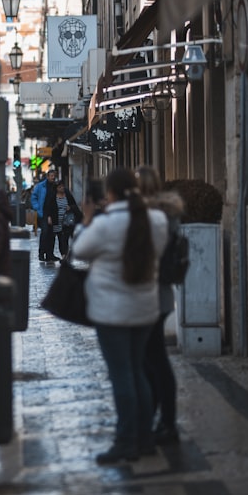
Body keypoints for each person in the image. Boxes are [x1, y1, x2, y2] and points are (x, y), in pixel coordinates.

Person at [72, 167, 169, 464]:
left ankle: (127, 441)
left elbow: (79, 251)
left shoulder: (104, 225)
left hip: (112, 313)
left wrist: (86, 220)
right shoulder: (157, 220)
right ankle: (144, 438)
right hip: (145, 309)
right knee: (138, 371)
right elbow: (160, 251)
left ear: (110, 193)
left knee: (122, 375)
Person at [135, 164, 185, 446]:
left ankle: (166, 422)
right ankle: (159, 419)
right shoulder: (166, 213)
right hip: (160, 295)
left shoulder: (152, 216)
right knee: (151, 359)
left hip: (151, 295)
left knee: (154, 360)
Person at [44, 179, 82, 259]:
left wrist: (70, 207)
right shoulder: (53, 196)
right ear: (56, 188)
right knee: (53, 238)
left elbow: (74, 205)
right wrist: (49, 217)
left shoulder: (67, 194)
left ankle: (64, 255)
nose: (62, 188)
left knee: (64, 239)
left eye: (63, 186)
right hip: (56, 220)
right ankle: (50, 254)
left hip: (66, 221)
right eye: (60, 187)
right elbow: (48, 207)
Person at [31, 169, 57, 261]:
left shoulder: (56, 186)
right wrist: (37, 207)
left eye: (54, 176)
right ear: (47, 176)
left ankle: (50, 254)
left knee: (52, 234)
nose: (53, 178)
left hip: (53, 213)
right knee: (45, 232)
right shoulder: (41, 186)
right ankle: (41, 254)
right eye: (51, 176)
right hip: (43, 212)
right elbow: (34, 197)